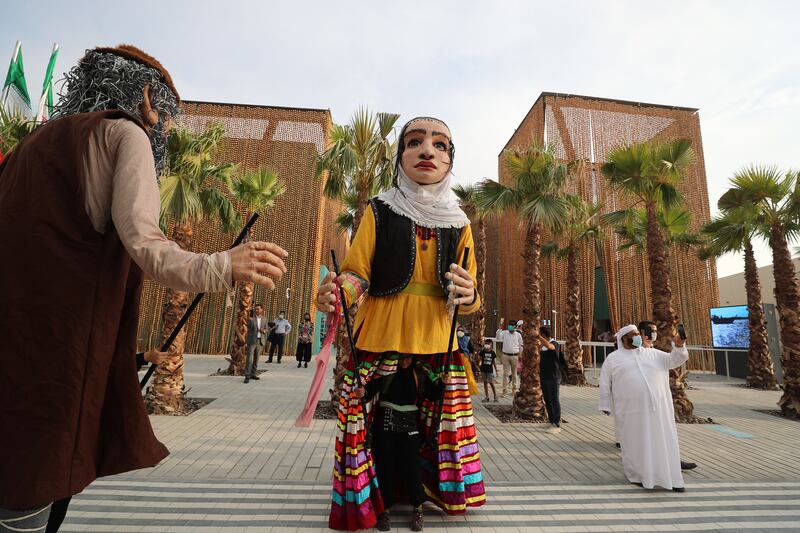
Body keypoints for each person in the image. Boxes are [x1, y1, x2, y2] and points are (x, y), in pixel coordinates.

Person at [0, 45, 288, 532]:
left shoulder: (28, 148)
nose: (165, 133)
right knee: (33, 498)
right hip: (58, 367)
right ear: (148, 98)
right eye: (168, 121)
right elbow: (145, 242)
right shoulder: (126, 132)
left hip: (12, 356)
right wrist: (222, 265)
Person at [315, 116, 485, 530]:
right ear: (400, 155)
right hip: (381, 336)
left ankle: (429, 491)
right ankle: (373, 495)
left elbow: (471, 294)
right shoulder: (380, 210)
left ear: (450, 161)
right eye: (415, 142)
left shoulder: (460, 223)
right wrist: (338, 294)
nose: (428, 151)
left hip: (438, 341)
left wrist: (468, 294)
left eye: (441, 145)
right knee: (369, 422)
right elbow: (357, 274)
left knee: (439, 426)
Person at [354, 355, 448, 532]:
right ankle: (384, 511)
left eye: (408, 358)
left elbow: (434, 395)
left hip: (410, 428)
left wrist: (443, 383)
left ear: (412, 358)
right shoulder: (386, 373)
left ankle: (417, 509)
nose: (404, 362)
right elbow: (368, 392)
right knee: (385, 468)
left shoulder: (419, 375)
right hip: (384, 428)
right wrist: (362, 392)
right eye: (401, 358)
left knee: (412, 468)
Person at [599, 325, 689, 492]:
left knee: (663, 441)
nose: (636, 337)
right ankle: (638, 476)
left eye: (637, 334)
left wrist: (679, 345)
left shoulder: (652, 354)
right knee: (635, 443)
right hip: (631, 411)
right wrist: (605, 404)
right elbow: (604, 383)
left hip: (659, 411)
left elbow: (675, 360)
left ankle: (672, 479)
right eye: (632, 335)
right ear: (623, 339)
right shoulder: (613, 358)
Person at [638, 321, 698, 471]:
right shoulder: (631, 354)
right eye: (650, 331)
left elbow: (675, 360)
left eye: (655, 331)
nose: (653, 334)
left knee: (666, 432)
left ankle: (672, 459)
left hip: (660, 403)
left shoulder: (657, 354)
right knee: (645, 435)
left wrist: (678, 345)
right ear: (640, 333)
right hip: (640, 403)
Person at [539, 327, 565, 434]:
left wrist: (538, 336)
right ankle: (551, 421)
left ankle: (557, 423)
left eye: (540, 335)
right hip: (544, 376)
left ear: (543, 335)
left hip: (553, 377)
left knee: (554, 399)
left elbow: (551, 347)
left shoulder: (554, 343)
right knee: (547, 399)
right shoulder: (542, 347)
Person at [497, 320, 523, 396]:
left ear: (515, 327)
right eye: (509, 325)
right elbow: (498, 337)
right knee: (505, 374)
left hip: (515, 356)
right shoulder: (504, 333)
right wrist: (499, 329)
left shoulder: (518, 335)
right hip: (505, 355)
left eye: (512, 325)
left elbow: (521, 345)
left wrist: (520, 354)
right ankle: (504, 391)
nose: (510, 326)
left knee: (514, 374)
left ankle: (514, 390)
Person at [244, 304, 268, 383]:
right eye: (255, 309)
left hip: (260, 340)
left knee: (256, 358)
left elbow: (267, 329)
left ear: (262, 310)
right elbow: (248, 328)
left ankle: (253, 374)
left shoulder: (264, 319)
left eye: (258, 309)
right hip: (252, 341)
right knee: (249, 359)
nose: (256, 310)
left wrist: (264, 331)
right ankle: (247, 375)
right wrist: (249, 318)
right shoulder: (251, 319)